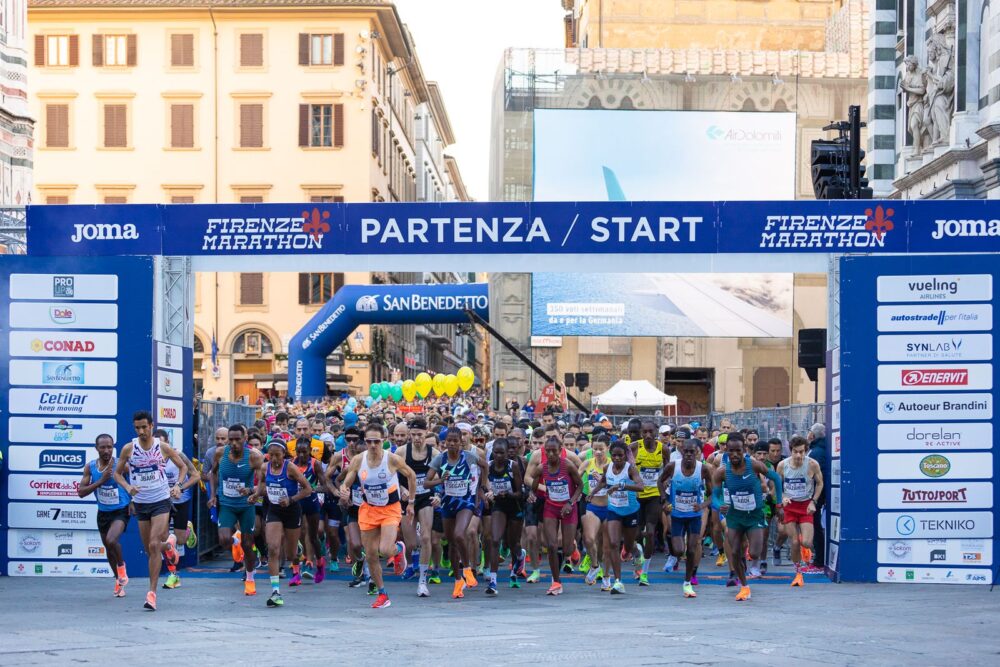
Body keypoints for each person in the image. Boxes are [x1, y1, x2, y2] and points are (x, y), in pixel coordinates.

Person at [114, 410, 196, 611]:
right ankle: (169, 546)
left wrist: (178, 485)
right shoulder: (128, 449)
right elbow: (117, 474)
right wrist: (128, 487)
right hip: (141, 503)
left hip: (161, 501)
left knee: (152, 544)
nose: (141, 431)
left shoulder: (163, 447)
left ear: (151, 426)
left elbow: (184, 468)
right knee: (150, 549)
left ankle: (151, 594)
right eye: (137, 428)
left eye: (144, 427)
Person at [339, 423, 418, 609]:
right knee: (371, 555)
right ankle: (382, 594)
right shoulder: (359, 459)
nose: (373, 445)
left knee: (385, 549)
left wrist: (411, 502)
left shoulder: (392, 459)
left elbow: (411, 475)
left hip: (390, 509)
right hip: (369, 509)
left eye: (376, 441)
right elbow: (348, 479)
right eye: (369, 441)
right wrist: (344, 489)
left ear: (384, 440)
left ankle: (398, 549)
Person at [712, 432, 783, 602]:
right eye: (731, 451)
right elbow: (714, 496)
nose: (735, 454)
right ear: (726, 451)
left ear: (744, 449)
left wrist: (779, 504)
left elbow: (776, 479)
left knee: (754, 553)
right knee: (735, 552)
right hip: (735, 517)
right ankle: (744, 587)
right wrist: (719, 504)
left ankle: (745, 560)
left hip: (754, 516)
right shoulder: (721, 472)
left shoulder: (754, 465)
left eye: (738, 450)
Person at [424, 426, 488, 599]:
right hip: (448, 503)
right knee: (452, 542)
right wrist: (441, 479)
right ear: (444, 442)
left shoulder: (468, 457)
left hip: (465, 502)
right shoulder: (440, 458)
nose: (452, 444)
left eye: (455, 441)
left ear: (461, 442)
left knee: (460, 534)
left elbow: (484, 466)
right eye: (449, 441)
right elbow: (426, 483)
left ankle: (467, 569)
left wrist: (482, 487)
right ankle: (458, 581)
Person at [249, 440, 313, 607]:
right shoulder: (265, 467)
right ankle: (275, 592)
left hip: (292, 511)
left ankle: (297, 550)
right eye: (271, 455)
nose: (274, 459)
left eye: (278, 455)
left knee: (291, 555)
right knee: (273, 548)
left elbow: (308, 489)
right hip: (274, 510)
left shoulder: (291, 468)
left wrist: (291, 499)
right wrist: (255, 495)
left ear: (284, 454)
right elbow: (262, 485)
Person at [208, 424, 265, 597]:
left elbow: (263, 482)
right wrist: (213, 495)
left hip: (246, 505)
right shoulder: (220, 453)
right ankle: (235, 541)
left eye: (237, 439)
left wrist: (254, 492)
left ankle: (250, 578)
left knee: (248, 545)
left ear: (245, 439)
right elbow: (212, 473)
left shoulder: (254, 456)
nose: (233, 443)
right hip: (226, 504)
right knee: (224, 539)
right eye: (230, 440)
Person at [527, 436, 584, 596]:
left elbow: (580, 485)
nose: (551, 454)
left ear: (560, 451)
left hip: (568, 509)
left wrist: (571, 503)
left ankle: (573, 549)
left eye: (554, 451)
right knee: (551, 546)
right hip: (551, 508)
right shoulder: (541, 468)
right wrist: (532, 494)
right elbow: (533, 484)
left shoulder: (568, 465)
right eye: (548, 451)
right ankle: (556, 582)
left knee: (566, 549)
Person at [78, 433, 132, 597]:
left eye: (109, 447)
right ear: (96, 448)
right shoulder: (90, 467)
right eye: (103, 447)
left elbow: (136, 481)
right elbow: (81, 492)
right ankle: (119, 582)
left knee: (111, 540)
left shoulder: (121, 465)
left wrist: (133, 501)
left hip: (120, 510)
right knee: (108, 548)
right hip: (103, 512)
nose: (107, 450)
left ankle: (121, 567)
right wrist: (101, 481)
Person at [658, 439, 713, 598]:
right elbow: (660, 481)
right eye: (686, 451)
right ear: (681, 451)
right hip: (677, 515)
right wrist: (664, 500)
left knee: (692, 549)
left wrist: (702, 505)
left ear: (697, 453)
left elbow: (712, 494)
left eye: (692, 452)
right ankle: (674, 555)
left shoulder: (703, 469)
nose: (689, 454)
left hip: (694, 516)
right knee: (679, 550)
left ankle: (687, 582)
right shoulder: (672, 466)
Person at [588, 440, 643, 594]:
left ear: (625, 456)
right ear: (610, 455)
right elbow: (603, 482)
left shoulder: (630, 469)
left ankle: (635, 552)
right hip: (614, 510)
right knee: (613, 543)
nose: (617, 458)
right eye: (614, 455)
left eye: (620, 455)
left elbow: (641, 486)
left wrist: (621, 486)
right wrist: (593, 493)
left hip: (630, 511)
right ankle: (618, 581)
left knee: (628, 546)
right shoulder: (607, 468)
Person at [396, 425, 440, 597]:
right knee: (412, 543)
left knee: (426, 537)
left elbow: (440, 477)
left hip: (425, 498)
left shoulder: (434, 453)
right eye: (413, 434)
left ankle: (422, 580)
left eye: (420, 434)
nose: (416, 438)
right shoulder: (401, 452)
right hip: (407, 499)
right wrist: (402, 489)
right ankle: (410, 560)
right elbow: (392, 475)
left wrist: (438, 495)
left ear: (426, 433)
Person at [779, 436, 825, 586]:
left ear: (806, 451)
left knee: (806, 542)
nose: (798, 455)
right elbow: (776, 485)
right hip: (790, 507)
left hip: (805, 506)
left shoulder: (812, 464)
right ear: (790, 451)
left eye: (801, 452)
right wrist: (783, 497)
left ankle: (805, 549)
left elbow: (820, 483)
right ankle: (798, 572)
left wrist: (814, 501)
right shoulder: (782, 465)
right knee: (794, 542)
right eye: (795, 452)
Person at [157, 428, 199, 590]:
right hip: (163, 502)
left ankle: (187, 529)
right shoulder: (151, 458)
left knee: (180, 540)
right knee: (164, 539)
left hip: (181, 500)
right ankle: (173, 575)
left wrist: (180, 487)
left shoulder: (178, 455)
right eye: (156, 444)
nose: (160, 447)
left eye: (162, 443)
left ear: (168, 442)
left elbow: (195, 476)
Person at [484, 437, 524, 595]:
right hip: (499, 506)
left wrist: (507, 494)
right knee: (495, 540)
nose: (499, 456)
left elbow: (520, 493)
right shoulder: (488, 466)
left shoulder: (513, 466)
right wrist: (487, 494)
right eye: (496, 452)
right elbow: (483, 486)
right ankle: (493, 581)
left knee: (513, 544)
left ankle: (518, 561)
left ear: (507, 453)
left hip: (515, 506)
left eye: (502, 453)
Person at [631, 420, 665, 585]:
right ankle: (637, 559)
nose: (648, 435)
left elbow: (668, 469)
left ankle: (644, 573)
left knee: (650, 532)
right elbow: (624, 464)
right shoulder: (634, 447)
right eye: (644, 432)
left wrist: (664, 484)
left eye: (651, 432)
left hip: (654, 495)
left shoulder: (663, 449)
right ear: (641, 433)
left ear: (656, 432)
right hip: (637, 496)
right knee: (636, 535)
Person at [293, 436, 327, 585]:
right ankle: (296, 572)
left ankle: (319, 563)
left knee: (313, 537)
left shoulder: (315, 464)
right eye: (298, 452)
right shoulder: (291, 464)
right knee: (295, 536)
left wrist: (312, 489)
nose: (301, 455)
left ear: (310, 450)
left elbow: (325, 486)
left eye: (304, 452)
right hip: (296, 503)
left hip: (311, 503)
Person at [580, 435, 610, 586]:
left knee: (605, 544)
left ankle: (606, 575)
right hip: (592, 507)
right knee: (589, 539)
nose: (598, 452)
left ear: (607, 448)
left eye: (601, 449)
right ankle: (594, 565)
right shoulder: (587, 463)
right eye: (595, 449)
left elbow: (620, 485)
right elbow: (575, 479)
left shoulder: (612, 464)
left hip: (610, 507)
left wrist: (604, 481)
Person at [806, 423, 830, 568]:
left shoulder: (816, 452)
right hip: (818, 494)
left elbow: (816, 477)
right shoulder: (818, 449)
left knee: (815, 525)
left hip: (815, 495)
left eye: (809, 431)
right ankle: (819, 557)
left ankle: (819, 558)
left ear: (813, 435)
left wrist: (814, 498)